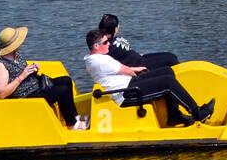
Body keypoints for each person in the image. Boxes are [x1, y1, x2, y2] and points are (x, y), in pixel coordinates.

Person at [83, 30, 214, 127]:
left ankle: (174, 116)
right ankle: (198, 113)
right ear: (96, 46)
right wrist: (139, 74)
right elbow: (127, 71)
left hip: (127, 84)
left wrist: (138, 70)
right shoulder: (99, 61)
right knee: (167, 83)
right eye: (106, 42)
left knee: (167, 71)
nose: (108, 45)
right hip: (125, 94)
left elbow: (123, 68)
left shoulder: (98, 58)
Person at [0, 26, 87, 130]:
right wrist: (22, 75)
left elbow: (24, 72)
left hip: (36, 87)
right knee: (62, 90)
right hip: (25, 96)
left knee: (66, 80)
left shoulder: (16, 55)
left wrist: (33, 69)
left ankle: (73, 117)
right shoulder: (0, 66)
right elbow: (2, 93)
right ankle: (71, 124)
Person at [96, 14, 179, 72]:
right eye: (118, 25)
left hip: (139, 58)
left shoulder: (113, 38)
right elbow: (109, 64)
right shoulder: (105, 45)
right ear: (115, 28)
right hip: (139, 65)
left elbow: (124, 53)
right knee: (170, 59)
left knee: (171, 55)